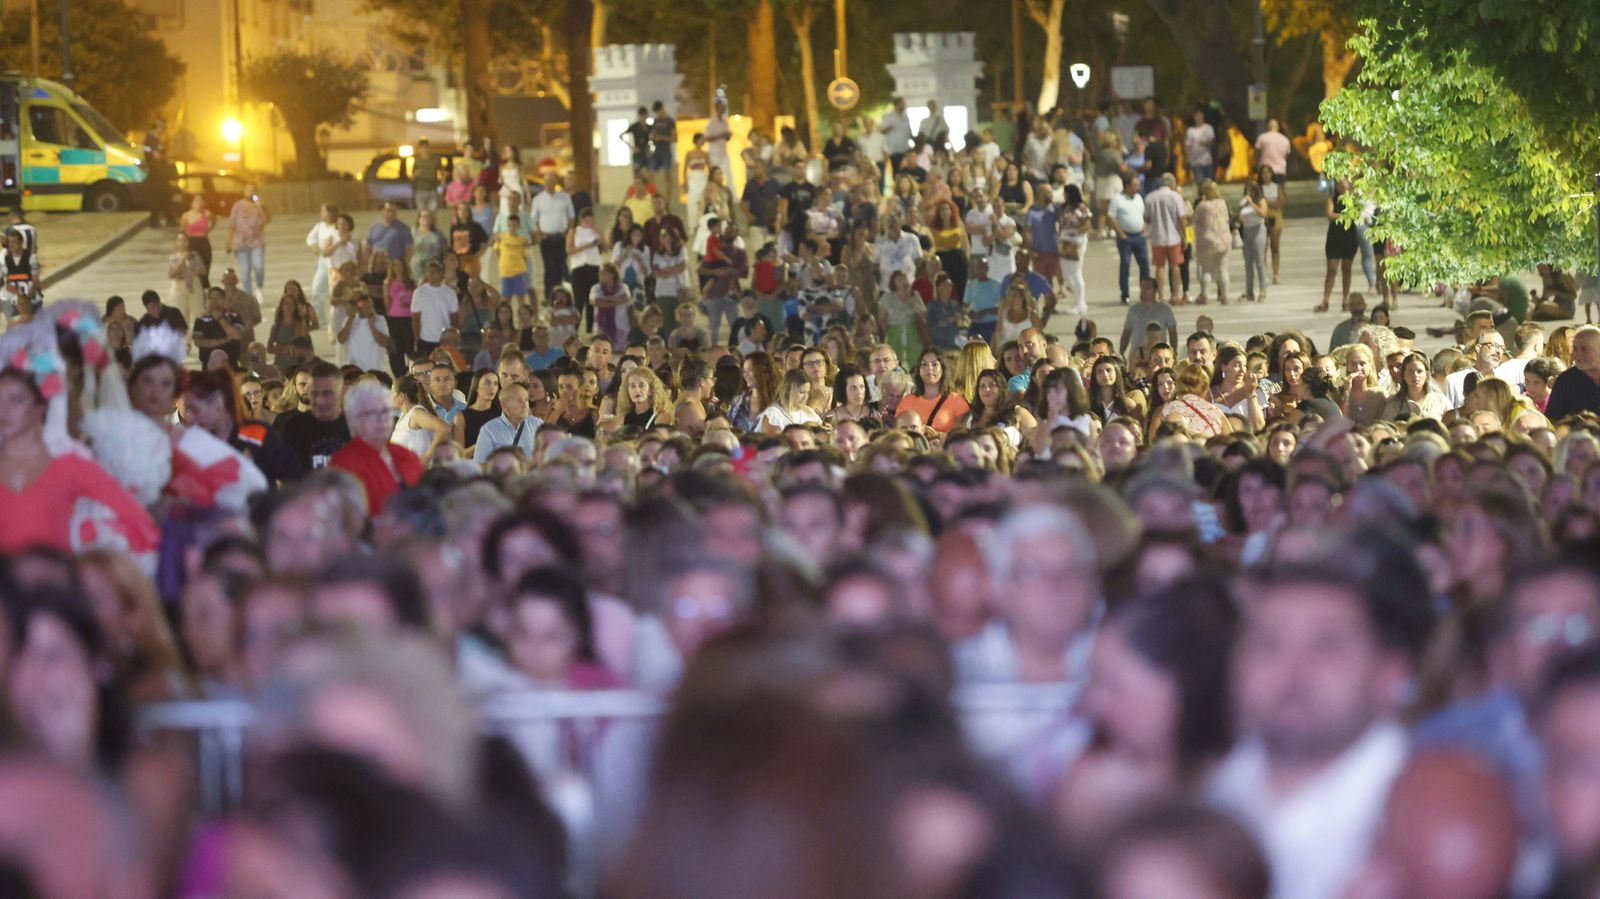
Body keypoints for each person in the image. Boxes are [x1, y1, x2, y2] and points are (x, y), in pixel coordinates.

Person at [1213, 544, 1432, 899]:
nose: (1293, 670)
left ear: (1391, 675)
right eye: (1268, 644)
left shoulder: (1421, 814)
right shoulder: (1213, 795)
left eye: (1327, 644)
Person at [330, 379, 422, 515]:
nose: (381, 419)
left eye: (385, 411)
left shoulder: (407, 455)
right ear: (354, 419)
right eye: (371, 413)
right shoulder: (344, 463)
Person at [1318, 179, 1361, 313]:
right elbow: (1330, 214)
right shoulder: (1333, 198)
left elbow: (1357, 214)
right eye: (1339, 183)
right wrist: (1346, 216)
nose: (1342, 185)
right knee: (1331, 268)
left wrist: (1345, 216)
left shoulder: (1354, 199)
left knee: (1346, 268)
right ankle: (1325, 299)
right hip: (1334, 236)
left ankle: (1345, 299)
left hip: (1349, 236)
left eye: (1345, 183)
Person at [1109, 176, 1150, 305]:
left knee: (1144, 265)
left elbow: (1144, 215)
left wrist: (1145, 229)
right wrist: (1120, 233)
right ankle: (1125, 294)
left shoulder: (1138, 198)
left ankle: (1145, 293)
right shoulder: (1117, 199)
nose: (1138, 187)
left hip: (1139, 236)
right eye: (1135, 184)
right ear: (1127, 185)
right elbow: (1111, 217)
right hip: (1125, 237)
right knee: (1125, 264)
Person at [1544, 326, 1600, 420]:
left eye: (1584, 348)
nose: (1578, 354)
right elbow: (1553, 419)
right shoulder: (1565, 381)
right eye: (1575, 348)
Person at [227, 183, 270, 298]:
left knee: (258, 266)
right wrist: (229, 240)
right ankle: (249, 295)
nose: (250, 192)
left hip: (256, 241)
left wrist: (260, 206)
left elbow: (266, 220)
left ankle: (259, 288)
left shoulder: (259, 205)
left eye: (253, 190)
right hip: (241, 242)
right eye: (248, 189)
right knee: (245, 271)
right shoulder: (238, 205)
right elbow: (232, 223)